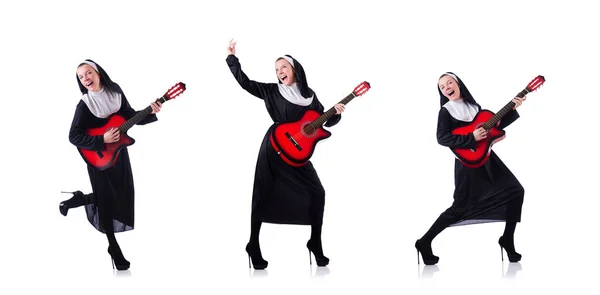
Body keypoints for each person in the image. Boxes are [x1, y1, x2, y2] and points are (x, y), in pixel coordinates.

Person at [226, 40, 345, 269]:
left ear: (294, 69)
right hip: (274, 148)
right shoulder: (272, 90)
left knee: (317, 193)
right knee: (263, 193)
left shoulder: (310, 96)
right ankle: (253, 244)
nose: (280, 72)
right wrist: (232, 59)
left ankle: (315, 243)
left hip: (299, 155)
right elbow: (245, 83)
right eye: (276, 69)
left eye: (283, 67)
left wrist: (336, 114)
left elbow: (321, 122)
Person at [59, 59, 162, 270]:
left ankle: (79, 199)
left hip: (118, 154)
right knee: (105, 201)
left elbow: (128, 117)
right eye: (80, 76)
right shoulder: (85, 104)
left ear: (97, 73)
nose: (85, 79)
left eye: (88, 73)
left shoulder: (115, 92)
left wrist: (150, 112)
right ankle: (114, 248)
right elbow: (73, 136)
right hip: (97, 157)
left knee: (122, 195)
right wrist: (101, 140)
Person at [415, 72, 526, 265]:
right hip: (467, 164)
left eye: (449, 82)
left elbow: (491, 128)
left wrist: (512, 109)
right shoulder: (446, 111)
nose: (446, 87)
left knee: (516, 191)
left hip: (488, 159)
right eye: (442, 87)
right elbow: (442, 138)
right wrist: (470, 138)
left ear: (458, 84)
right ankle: (424, 242)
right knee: (459, 207)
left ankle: (507, 239)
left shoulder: (474, 107)